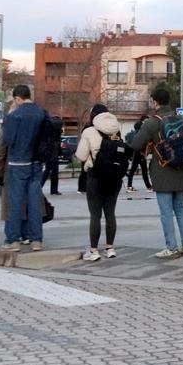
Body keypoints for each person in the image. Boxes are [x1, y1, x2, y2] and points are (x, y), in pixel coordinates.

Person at [131, 88, 183, 259]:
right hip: (181, 169)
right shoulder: (182, 118)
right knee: (181, 209)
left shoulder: (152, 122)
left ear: (155, 102)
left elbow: (136, 144)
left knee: (166, 212)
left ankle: (171, 247)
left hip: (162, 171)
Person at [1, 85, 48, 251]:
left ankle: (14, 240)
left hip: (17, 162)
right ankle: (36, 240)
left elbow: (8, 139)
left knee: (15, 202)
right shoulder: (41, 113)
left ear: (17, 98)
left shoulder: (15, 115)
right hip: (36, 163)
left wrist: (11, 114)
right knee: (34, 201)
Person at [75, 106, 123, 261]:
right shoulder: (117, 129)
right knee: (110, 213)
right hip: (114, 177)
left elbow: (81, 156)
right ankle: (110, 248)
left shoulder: (89, 131)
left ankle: (94, 250)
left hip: (95, 176)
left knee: (95, 215)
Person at [77, 104, 107, 194]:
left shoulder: (88, 127)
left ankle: (82, 188)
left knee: (86, 171)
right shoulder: (111, 127)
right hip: (102, 155)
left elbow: (82, 153)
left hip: (90, 154)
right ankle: (84, 187)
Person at [125, 116, 153, 193]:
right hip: (140, 153)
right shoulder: (141, 132)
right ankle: (149, 187)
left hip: (135, 153)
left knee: (133, 170)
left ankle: (129, 186)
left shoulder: (133, 133)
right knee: (144, 171)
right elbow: (143, 143)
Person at [41, 116, 62, 195]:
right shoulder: (58, 128)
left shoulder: (48, 126)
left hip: (49, 150)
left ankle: (40, 186)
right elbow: (58, 140)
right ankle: (54, 190)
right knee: (55, 171)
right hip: (55, 150)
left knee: (47, 170)